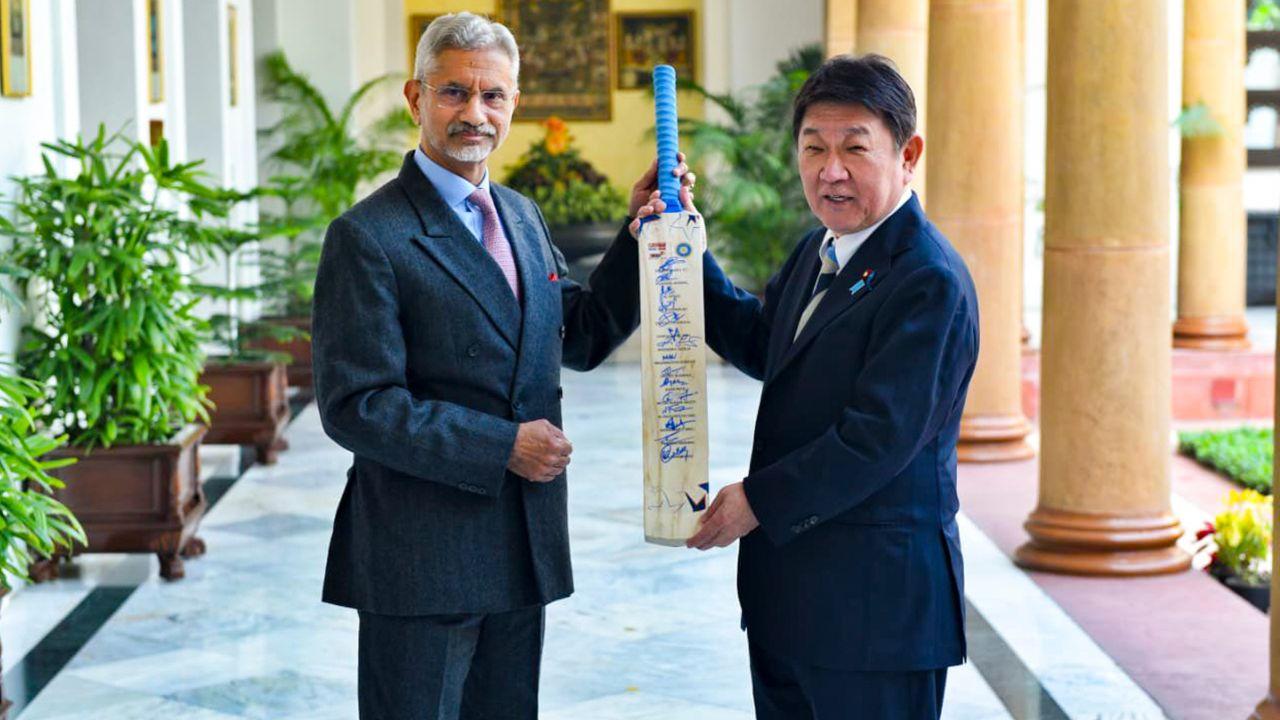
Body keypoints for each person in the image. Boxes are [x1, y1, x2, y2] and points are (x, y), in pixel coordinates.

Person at [311, 12, 691, 719]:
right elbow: (356, 405)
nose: (475, 114)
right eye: (454, 93)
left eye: (494, 97)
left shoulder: (519, 214)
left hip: (522, 543)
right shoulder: (368, 236)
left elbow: (575, 333)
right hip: (423, 556)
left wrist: (641, 238)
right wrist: (502, 447)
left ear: (515, 103)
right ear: (415, 98)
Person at [677, 54, 978, 720]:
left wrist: (756, 499)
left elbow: (876, 439)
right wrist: (683, 246)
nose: (829, 170)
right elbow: (763, 344)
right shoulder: (821, 249)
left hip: (875, 617)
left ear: (909, 155)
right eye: (814, 147)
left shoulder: (928, 280)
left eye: (853, 148)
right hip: (791, 603)